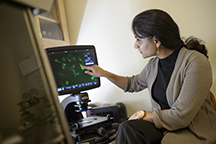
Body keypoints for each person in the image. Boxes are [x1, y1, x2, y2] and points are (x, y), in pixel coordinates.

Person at [81, 9, 216, 144]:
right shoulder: (154, 65)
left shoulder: (196, 62)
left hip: (192, 131)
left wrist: (142, 114)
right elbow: (132, 84)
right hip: (164, 127)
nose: (135, 45)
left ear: (156, 40)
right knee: (126, 128)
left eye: (139, 39)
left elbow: (180, 117)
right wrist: (103, 73)